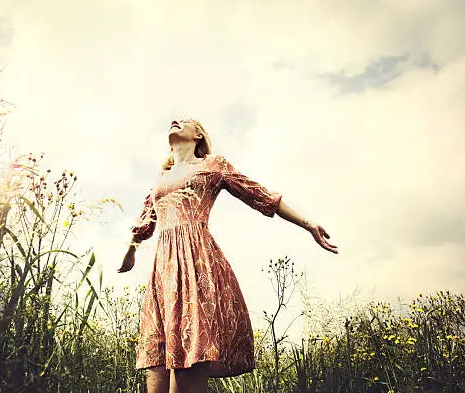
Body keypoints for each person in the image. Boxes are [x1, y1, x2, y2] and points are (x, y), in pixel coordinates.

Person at [118, 119, 338, 393]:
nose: (176, 120)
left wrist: (308, 224)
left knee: (187, 366)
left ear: (198, 135)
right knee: (158, 372)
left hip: (195, 264)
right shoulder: (161, 177)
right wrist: (130, 254)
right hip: (163, 271)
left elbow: (260, 195)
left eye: (185, 121)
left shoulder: (214, 165)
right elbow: (145, 221)